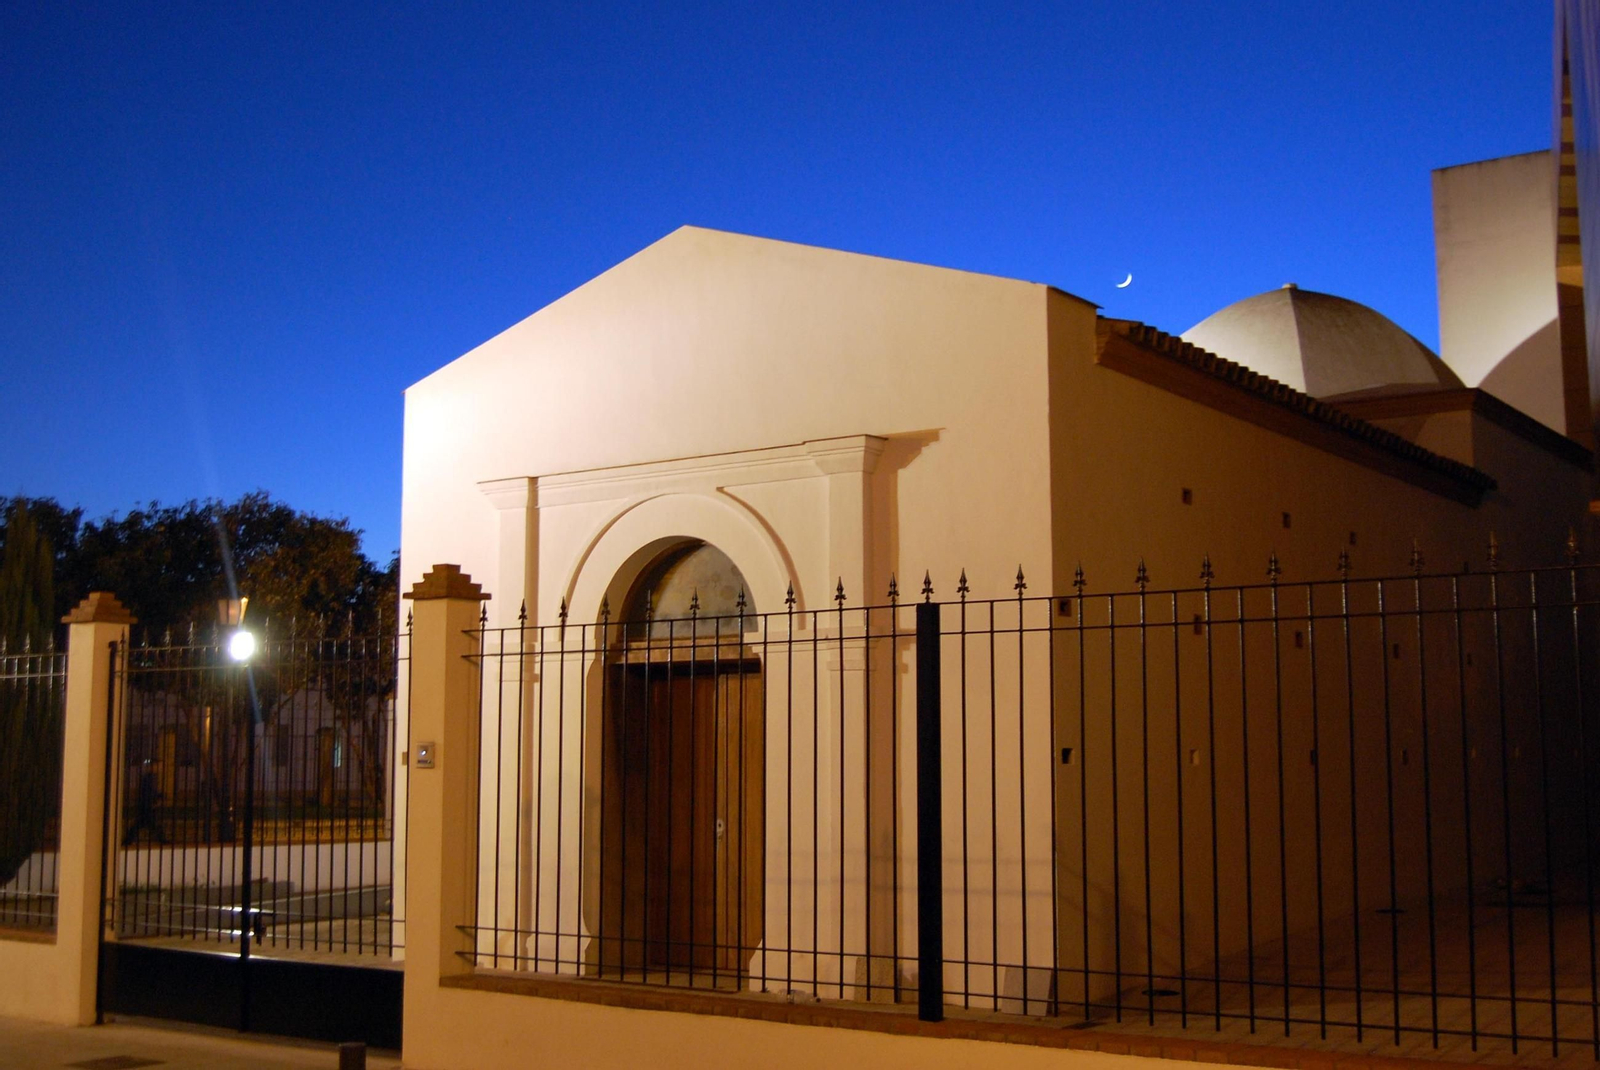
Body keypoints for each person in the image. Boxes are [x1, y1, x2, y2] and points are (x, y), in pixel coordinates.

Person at [122, 760, 167, 845]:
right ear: (153, 767)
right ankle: (162, 839)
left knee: (143, 823)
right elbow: (148, 792)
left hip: (146, 804)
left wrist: (158, 796)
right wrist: (155, 799)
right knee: (148, 823)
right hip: (147, 805)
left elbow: (150, 791)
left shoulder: (150, 777)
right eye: (158, 766)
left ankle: (128, 840)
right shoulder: (149, 778)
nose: (160, 768)